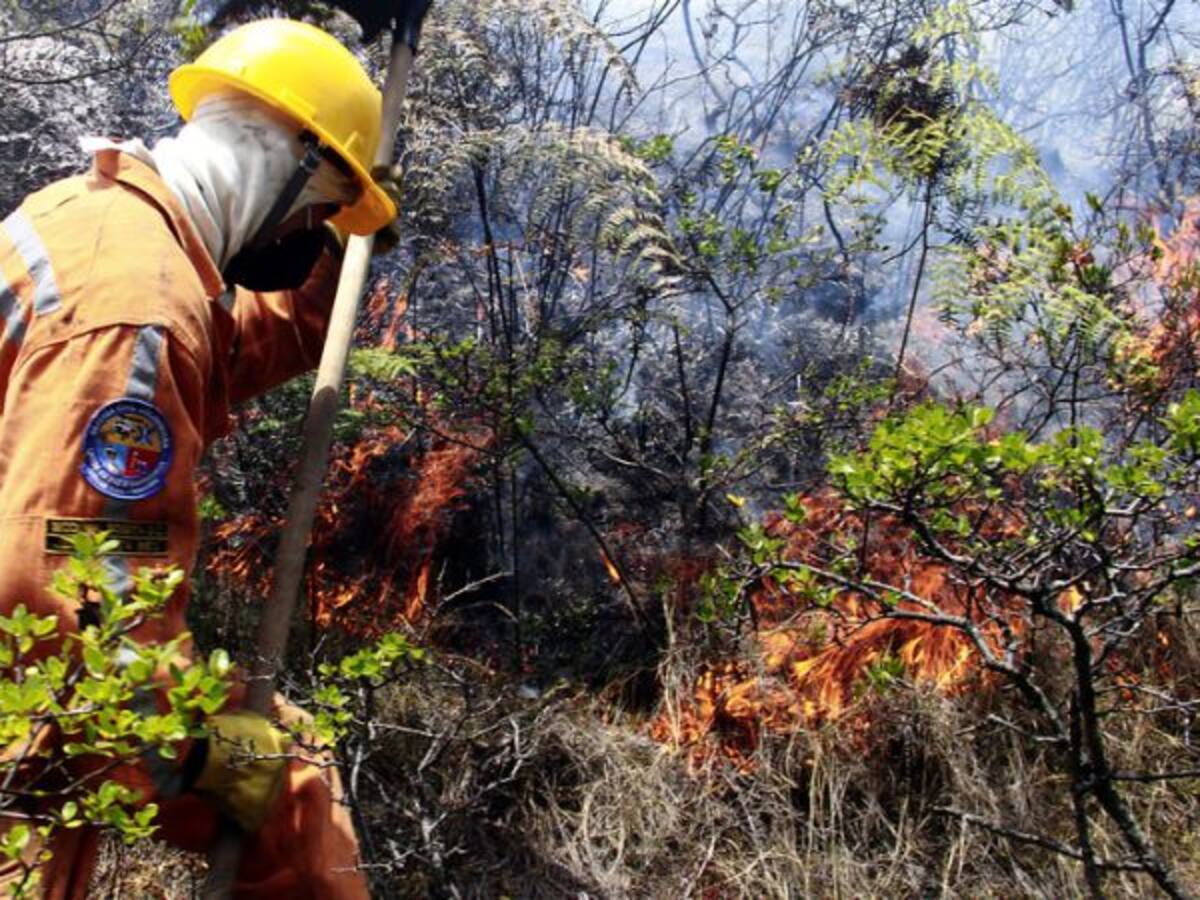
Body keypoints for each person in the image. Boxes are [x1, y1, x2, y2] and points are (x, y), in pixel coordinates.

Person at [0, 18, 398, 898]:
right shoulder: (133, 310)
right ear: (283, 166)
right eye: (320, 214)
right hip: (28, 698)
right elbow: (65, 594)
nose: (308, 233)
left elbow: (229, 348)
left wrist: (341, 255)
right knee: (289, 791)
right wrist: (212, 751)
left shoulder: (97, 219)